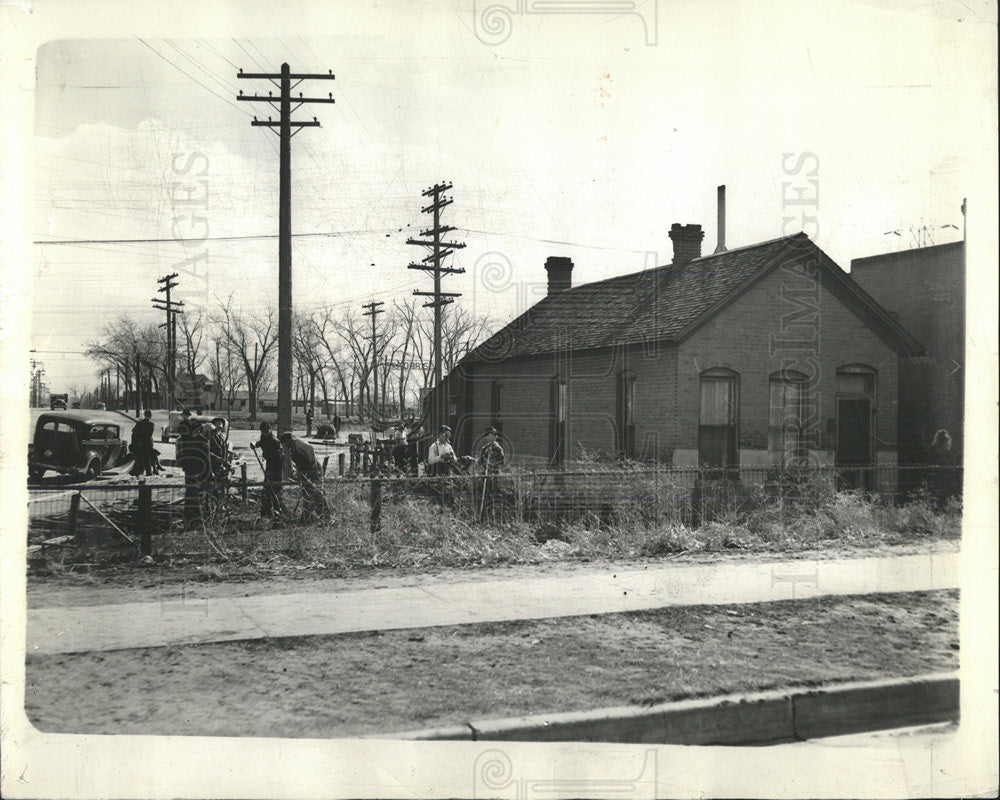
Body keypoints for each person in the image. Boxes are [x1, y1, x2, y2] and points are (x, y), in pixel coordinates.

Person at [279, 431, 328, 522]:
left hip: (313, 469)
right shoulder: (292, 448)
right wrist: (298, 473)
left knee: (317, 493)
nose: (284, 445)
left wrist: (312, 464)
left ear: (288, 440)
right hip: (305, 472)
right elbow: (298, 463)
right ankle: (307, 518)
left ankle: (326, 517)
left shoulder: (297, 442)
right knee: (307, 494)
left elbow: (310, 448)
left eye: (284, 442)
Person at [252, 421, 286, 519]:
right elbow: (261, 442)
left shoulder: (274, 441)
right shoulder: (264, 436)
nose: (264, 433)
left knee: (275, 488)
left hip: (276, 467)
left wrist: (270, 472)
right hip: (269, 465)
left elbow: (279, 458)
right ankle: (267, 513)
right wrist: (255, 444)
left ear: (269, 430)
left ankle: (278, 511)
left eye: (266, 431)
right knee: (267, 489)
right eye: (263, 431)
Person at [478, 426, 506, 520]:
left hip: (494, 476)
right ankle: (482, 517)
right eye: (487, 436)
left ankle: (493, 517)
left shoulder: (498, 448)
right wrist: (481, 464)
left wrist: (491, 465)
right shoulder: (484, 448)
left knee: (492, 496)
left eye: (491, 436)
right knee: (483, 496)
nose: (489, 438)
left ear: (495, 437)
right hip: (484, 475)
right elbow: (480, 461)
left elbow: (501, 462)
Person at [129, 408, 155, 477]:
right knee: (147, 462)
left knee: (139, 460)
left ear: (144, 415)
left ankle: (136, 474)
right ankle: (148, 474)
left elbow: (133, 434)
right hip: (147, 446)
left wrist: (134, 443)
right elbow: (149, 436)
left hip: (139, 446)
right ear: (150, 416)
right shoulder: (151, 425)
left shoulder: (139, 423)